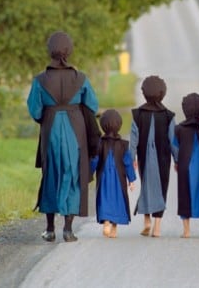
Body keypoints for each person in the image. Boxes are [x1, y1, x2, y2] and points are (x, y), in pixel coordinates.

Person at [27, 31, 100, 242]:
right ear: (69, 50)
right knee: (73, 174)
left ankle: (50, 229)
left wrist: (49, 114)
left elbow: (35, 111)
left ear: (49, 50)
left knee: (51, 174)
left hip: (50, 129)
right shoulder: (81, 78)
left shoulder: (40, 80)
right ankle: (68, 229)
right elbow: (92, 106)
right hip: (75, 128)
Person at [129, 75, 178, 237]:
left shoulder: (137, 115)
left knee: (147, 185)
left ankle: (147, 220)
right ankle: (157, 226)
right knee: (161, 186)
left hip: (143, 157)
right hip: (163, 158)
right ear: (163, 93)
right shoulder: (168, 116)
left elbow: (133, 140)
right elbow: (173, 141)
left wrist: (132, 159)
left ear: (143, 93)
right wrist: (177, 159)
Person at [90, 109, 136, 238]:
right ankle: (114, 228)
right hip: (119, 179)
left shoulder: (100, 143)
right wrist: (131, 180)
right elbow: (127, 163)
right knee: (118, 200)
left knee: (105, 198)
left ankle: (106, 222)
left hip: (104, 178)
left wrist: (89, 173)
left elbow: (95, 159)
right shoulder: (123, 145)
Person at [173, 93, 199, 238]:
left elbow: (175, 146)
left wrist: (176, 161)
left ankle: (186, 230)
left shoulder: (179, 129)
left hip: (185, 164)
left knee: (185, 193)